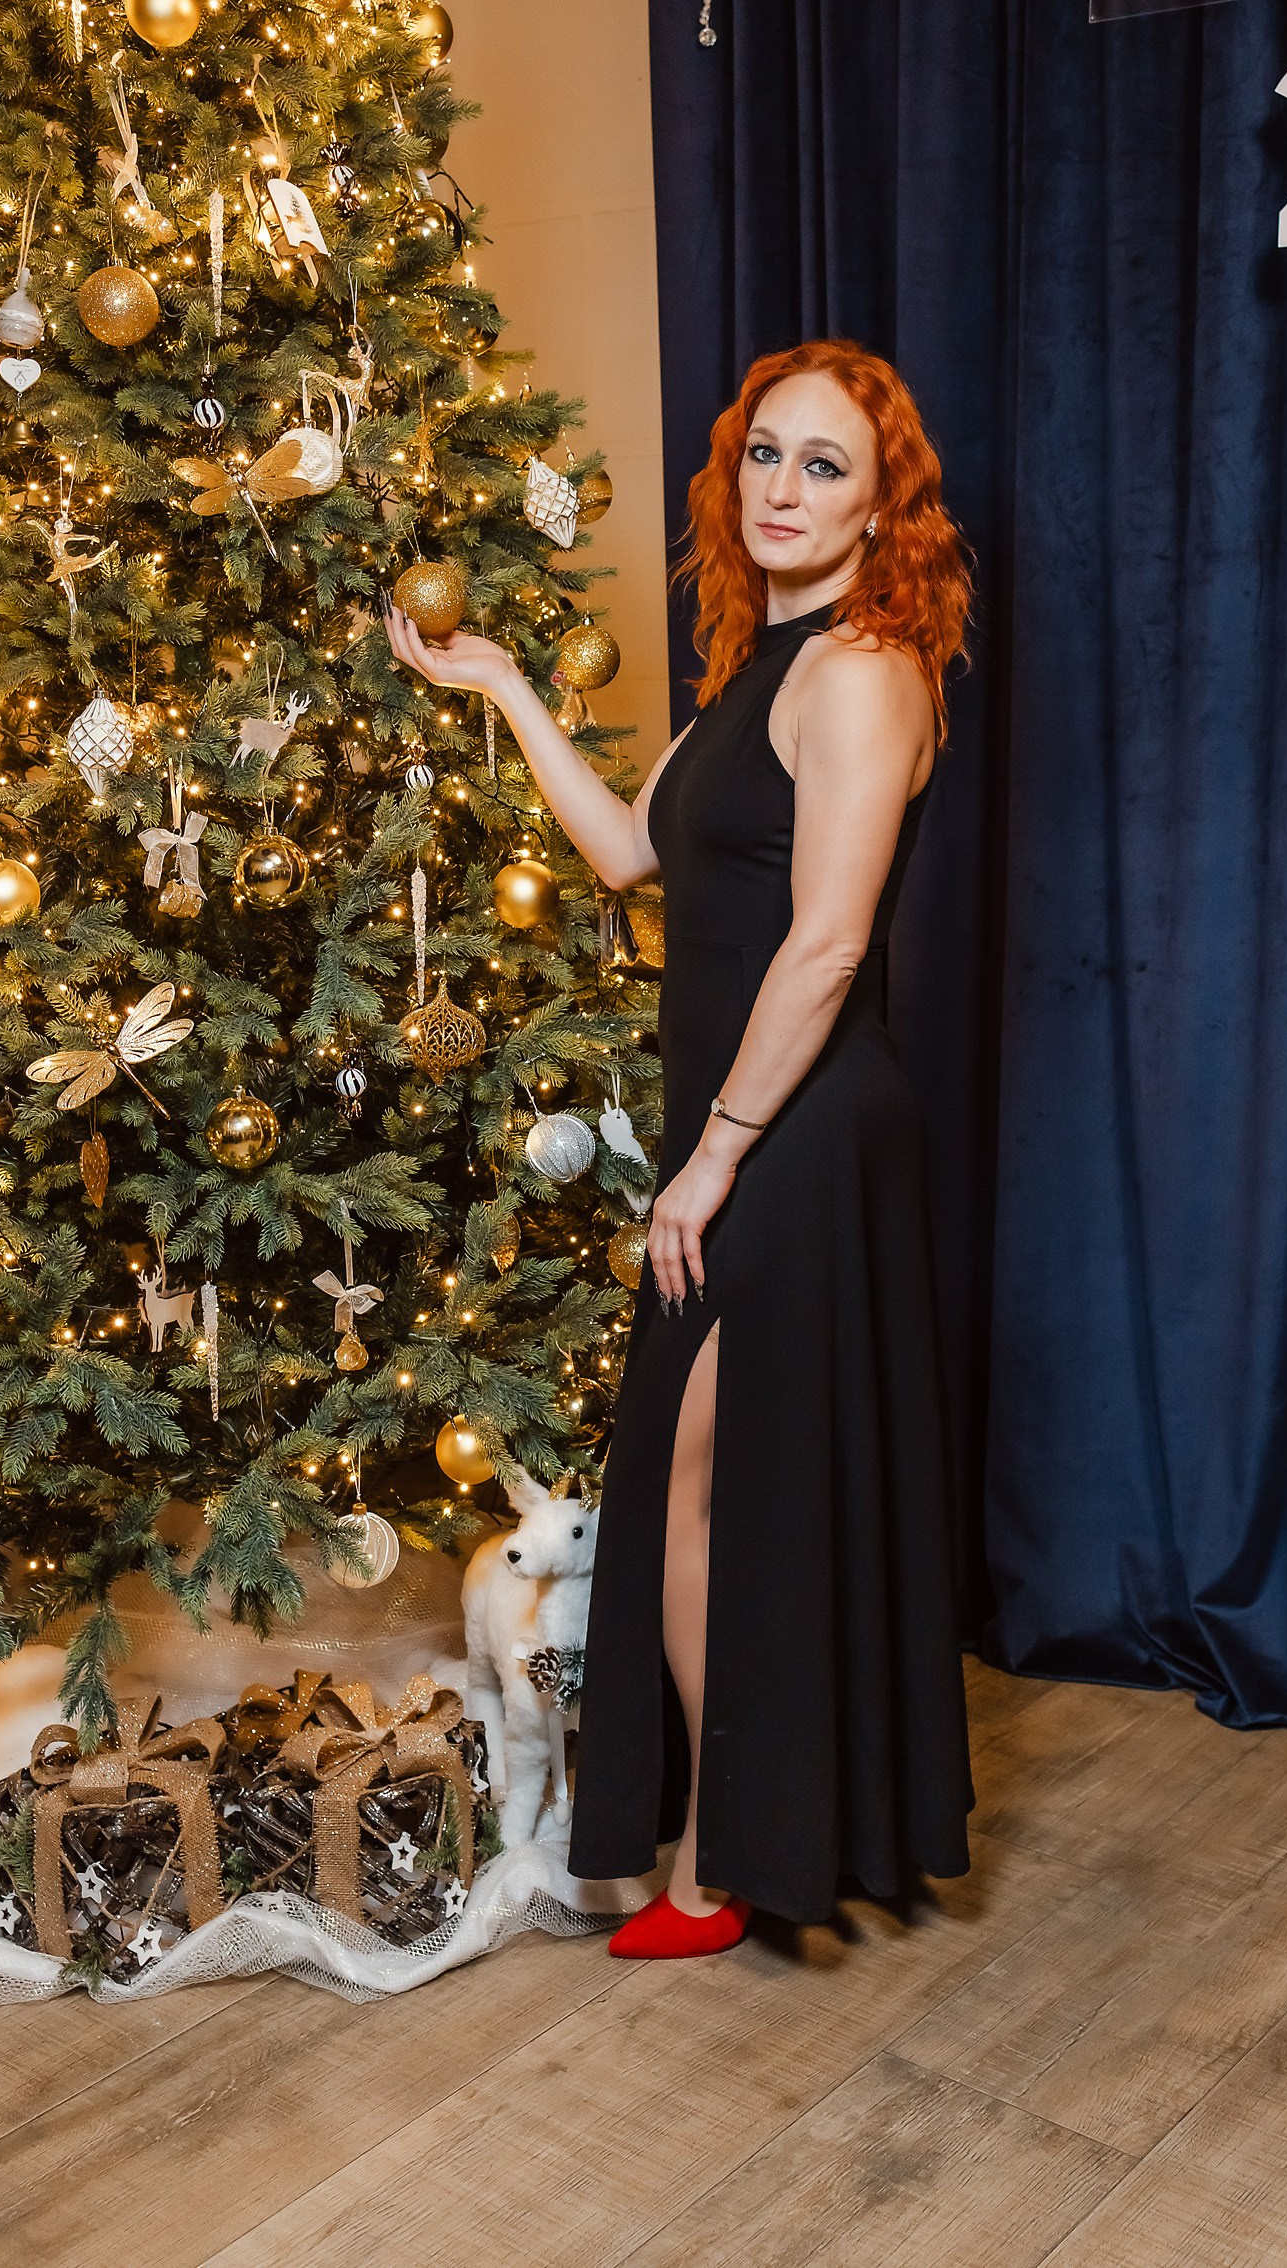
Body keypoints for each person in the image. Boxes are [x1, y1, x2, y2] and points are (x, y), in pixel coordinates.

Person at [387, 338, 974, 1956]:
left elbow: (829, 947)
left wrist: (711, 1158)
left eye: (826, 465)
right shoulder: (756, 672)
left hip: (800, 1131)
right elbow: (629, 854)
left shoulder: (865, 671)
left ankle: (723, 1861)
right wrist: (504, 688)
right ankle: (748, 1836)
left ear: (882, 507)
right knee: (700, 1495)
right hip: (744, 1126)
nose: (783, 487)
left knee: (703, 1493)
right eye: (765, 453)